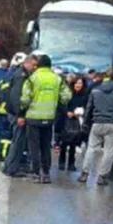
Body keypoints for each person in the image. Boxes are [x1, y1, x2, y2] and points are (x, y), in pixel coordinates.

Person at [20, 54, 72, 183]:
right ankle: (46, 173)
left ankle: (36, 173)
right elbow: (67, 96)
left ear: (38, 65)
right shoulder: (57, 79)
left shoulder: (32, 78)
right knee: (45, 146)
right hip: (49, 118)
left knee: (34, 146)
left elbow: (25, 99)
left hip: (33, 117)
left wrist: (22, 108)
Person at [80, 72, 113, 185]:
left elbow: (89, 108)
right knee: (109, 151)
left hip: (97, 123)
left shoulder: (95, 90)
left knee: (91, 148)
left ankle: (84, 174)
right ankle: (102, 176)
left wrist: (85, 123)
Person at [3, 54, 37, 177]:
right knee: (18, 142)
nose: (34, 68)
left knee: (18, 141)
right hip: (17, 114)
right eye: (33, 65)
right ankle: (11, 169)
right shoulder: (21, 76)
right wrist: (20, 115)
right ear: (26, 63)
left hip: (15, 113)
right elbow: (16, 97)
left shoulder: (21, 74)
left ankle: (9, 166)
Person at [58, 77, 88, 172]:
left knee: (73, 143)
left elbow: (87, 107)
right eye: (76, 83)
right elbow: (60, 105)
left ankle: (71, 163)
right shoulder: (68, 94)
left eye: (80, 83)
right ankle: (61, 162)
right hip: (66, 119)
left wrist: (80, 112)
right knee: (64, 142)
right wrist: (67, 112)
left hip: (77, 120)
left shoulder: (85, 96)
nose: (78, 85)